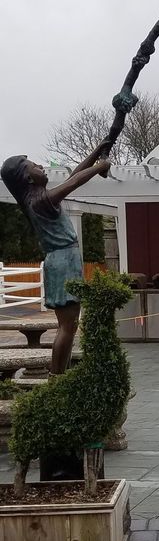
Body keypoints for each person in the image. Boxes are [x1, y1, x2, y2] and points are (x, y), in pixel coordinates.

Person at [1, 142, 111, 374]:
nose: (41, 166)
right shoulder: (41, 201)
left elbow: (73, 176)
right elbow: (74, 182)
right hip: (63, 261)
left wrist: (97, 151)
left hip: (63, 259)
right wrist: (101, 166)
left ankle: (61, 374)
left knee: (69, 325)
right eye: (34, 166)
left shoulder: (39, 199)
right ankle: (57, 377)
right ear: (28, 178)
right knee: (68, 327)